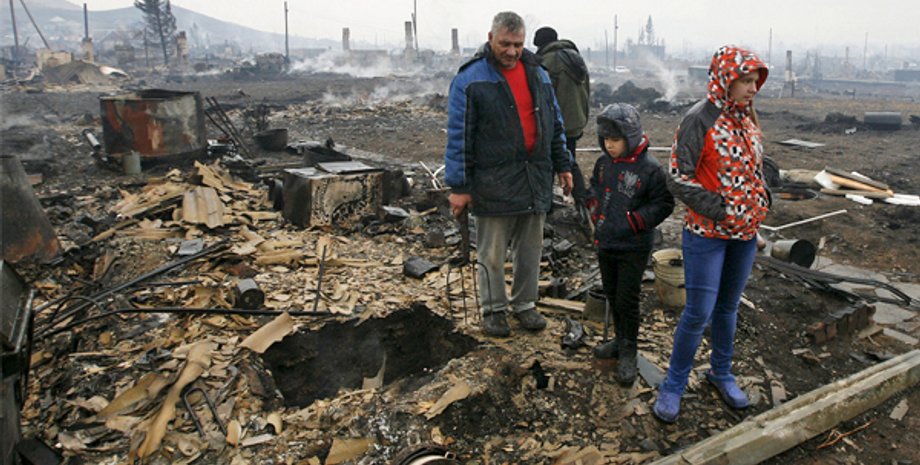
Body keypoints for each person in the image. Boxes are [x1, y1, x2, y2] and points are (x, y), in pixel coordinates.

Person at [652, 45, 770, 422]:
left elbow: (753, 170)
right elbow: (677, 177)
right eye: (745, 81)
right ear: (725, 80)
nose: (752, 88)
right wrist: (723, 209)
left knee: (728, 308)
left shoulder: (746, 118)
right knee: (698, 312)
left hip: (744, 235)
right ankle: (673, 384)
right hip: (706, 234)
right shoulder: (699, 119)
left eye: (755, 81)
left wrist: (759, 202)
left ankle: (721, 373)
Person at [444, 11, 573, 338]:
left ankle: (525, 304)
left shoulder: (538, 74)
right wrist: (459, 186)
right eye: (505, 44)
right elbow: (459, 136)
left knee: (530, 249)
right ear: (491, 38)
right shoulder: (471, 79)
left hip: (534, 177)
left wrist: (564, 164)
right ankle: (494, 309)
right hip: (492, 181)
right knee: (491, 252)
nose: (512, 51)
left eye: (518, 44)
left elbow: (554, 123)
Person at [587, 103, 674, 385]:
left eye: (615, 140)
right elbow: (596, 187)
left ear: (631, 137)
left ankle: (629, 350)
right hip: (606, 241)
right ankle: (618, 338)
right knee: (612, 294)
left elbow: (664, 203)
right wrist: (593, 205)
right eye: (605, 139)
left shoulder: (650, 169)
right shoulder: (604, 164)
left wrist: (635, 221)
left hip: (633, 246)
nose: (609, 145)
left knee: (627, 298)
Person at [533, 27, 590, 210]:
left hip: (558, 123)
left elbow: (545, 96)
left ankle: (548, 204)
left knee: (552, 162)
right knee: (568, 159)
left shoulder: (549, 61)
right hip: (576, 120)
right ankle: (582, 202)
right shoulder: (575, 57)